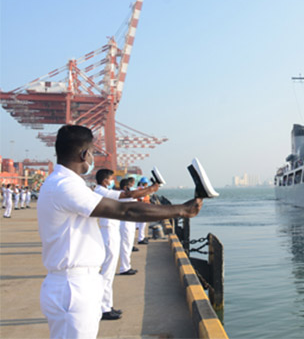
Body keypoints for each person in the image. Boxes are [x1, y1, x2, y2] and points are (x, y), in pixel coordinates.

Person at [38, 125, 202, 339]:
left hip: (73, 282)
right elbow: (126, 210)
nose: (93, 158)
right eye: (93, 152)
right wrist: (182, 210)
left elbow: (124, 203)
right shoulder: (65, 186)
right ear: (83, 154)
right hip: (73, 286)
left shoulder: (61, 183)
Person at [95, 170, 156, 321]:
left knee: (109, 272)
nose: (112, 181)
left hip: (111, 230)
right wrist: (152, 188)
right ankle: (103, 308)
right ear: (104, 180)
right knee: (107, 273)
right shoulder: (102, 191)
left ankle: (107, 305)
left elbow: (128, 198)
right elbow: (129, 196)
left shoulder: (105, 191)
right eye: (111, 178)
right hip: (108, 231)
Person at [136, 177, 151, 245]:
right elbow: (141, 199)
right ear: (145, 183)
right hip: (142, 209)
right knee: (142, 225)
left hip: (141, 209)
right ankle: (140, 239)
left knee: (141, 225)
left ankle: (141, 238)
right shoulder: (142, 190)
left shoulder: (140, 189)